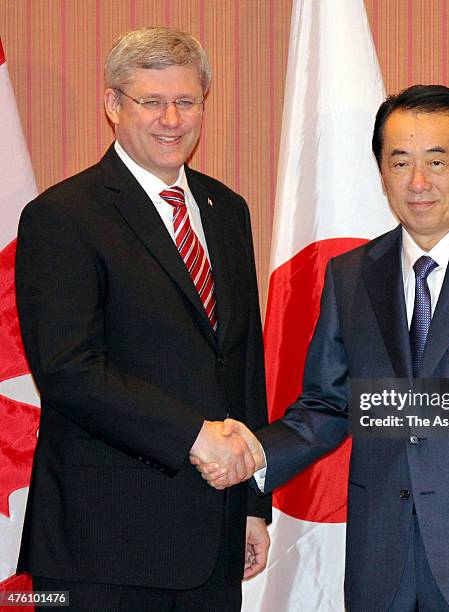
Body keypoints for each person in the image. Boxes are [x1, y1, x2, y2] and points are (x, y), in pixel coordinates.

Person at [198, 85, 449, 612]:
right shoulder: (351, 275)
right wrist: (257, 454)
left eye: (437, 161)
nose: (418, 182)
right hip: (381, 557)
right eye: (400, 162)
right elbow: (330, 403)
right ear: (382, 174)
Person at [15, 26, 270, 612]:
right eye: (150, 102)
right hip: (102, 544)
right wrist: (194, 436)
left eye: (186, 102)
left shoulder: (227, 209)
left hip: (215, 530)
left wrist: (253, 504)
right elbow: (68, 371)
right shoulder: (63, 216)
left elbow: (243, 358)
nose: (171, 119)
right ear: (113, 106)